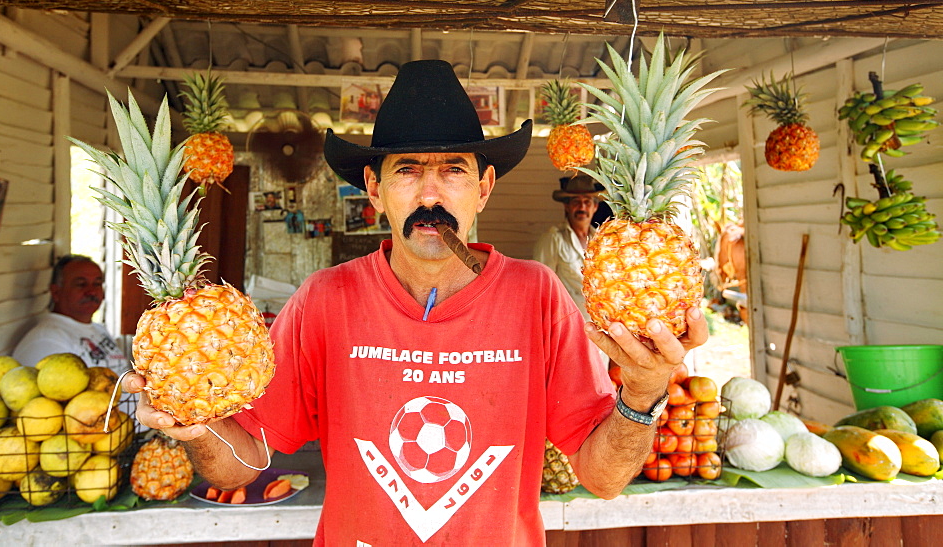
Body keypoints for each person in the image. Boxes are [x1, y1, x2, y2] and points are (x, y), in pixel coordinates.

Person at [124, 60, 707, 545]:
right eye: (407, 170)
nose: (431, 192)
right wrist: (196, 428)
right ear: (375, 189)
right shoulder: (325, 302)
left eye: (453, 170)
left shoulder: (539, 298)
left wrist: (643, 393)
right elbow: (244, 460)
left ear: (483, 188)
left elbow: (602, 478)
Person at [14, 254, 129, 374]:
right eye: (81, 284)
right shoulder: (47, 340)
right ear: (56, 292)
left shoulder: (98, 329)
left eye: (97, 283)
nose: (92, 291)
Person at [533, 174, 605, 315]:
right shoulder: (553, 239)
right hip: (568, 324)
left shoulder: (601, 241)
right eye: (576, 202)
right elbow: (541, 286)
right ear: (567, 206)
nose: (582, 207)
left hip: (599, 323)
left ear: (595, 207)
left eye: (587, 202)